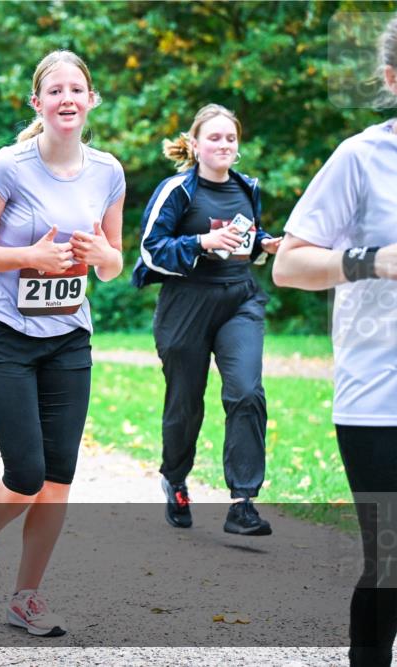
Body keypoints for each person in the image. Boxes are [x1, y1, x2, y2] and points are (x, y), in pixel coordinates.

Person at [0, 50, 125, 636]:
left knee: (58, 477)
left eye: (77, 89)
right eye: (55, 91)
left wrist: (104, 258)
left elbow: (112, 263)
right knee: (25, 473)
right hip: (5, 332)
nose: (67, 99)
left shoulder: (109, 172)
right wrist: (28, 256)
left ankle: (27, 596)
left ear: (92, 99)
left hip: (69, 337)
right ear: (37, 103)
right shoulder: (9, 167)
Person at [272, 16, 396, 665]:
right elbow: (288, 265)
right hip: (380, 399)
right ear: (391, 77)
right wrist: (374, 259)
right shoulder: (361, 158)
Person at [130, 104, 281, 536]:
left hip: (239, 301)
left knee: (246, 391)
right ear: (195, 145)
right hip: (186, 305)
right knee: (185, 402)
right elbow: (149, 249)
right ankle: (175, 480)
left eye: (231, 138)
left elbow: (245, 240)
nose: (224, 145)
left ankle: (243, 502)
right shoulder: (177, 190)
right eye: (214, 137)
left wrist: (264, 245)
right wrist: (200, 241)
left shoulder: (247, 187)